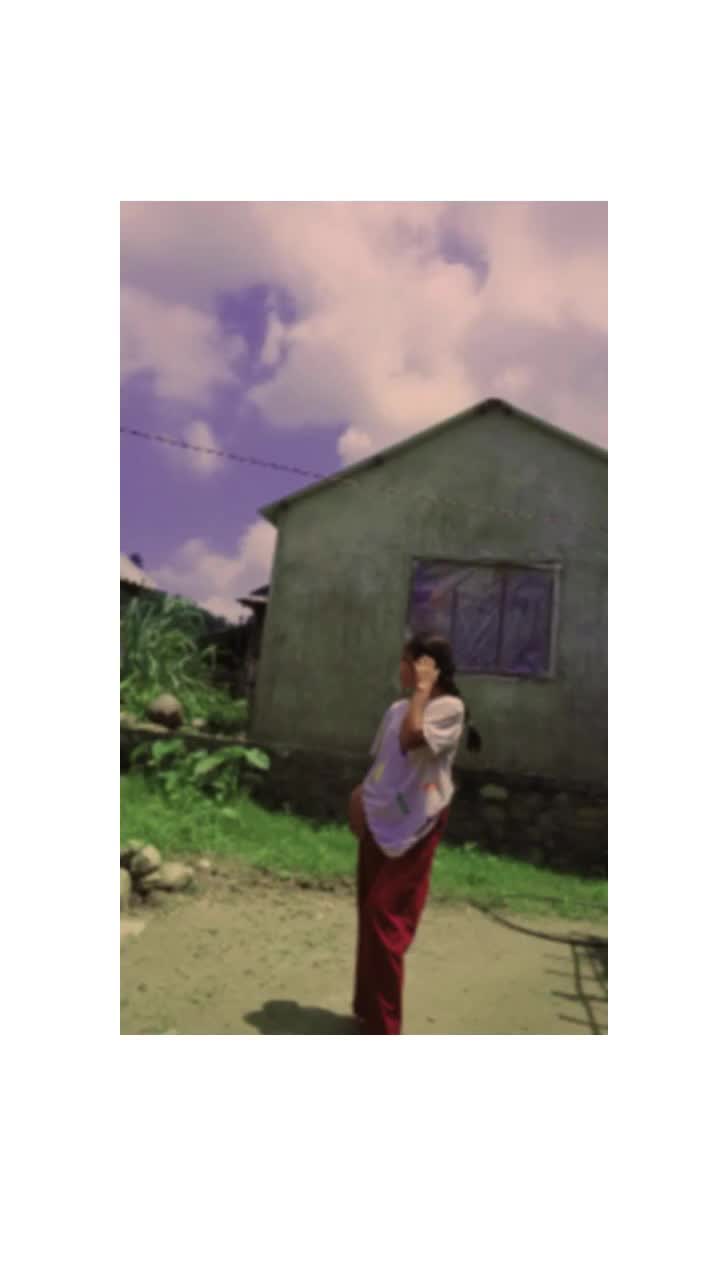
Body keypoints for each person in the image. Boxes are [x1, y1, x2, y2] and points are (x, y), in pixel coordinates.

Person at [349, 633, 482, 1034]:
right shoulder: (397, 708)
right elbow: (385, 761)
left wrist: (423, 691)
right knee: (368, 910)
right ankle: (366, 1009)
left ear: (429, 668)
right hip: (381, 815)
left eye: (409, 661)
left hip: (416, 822)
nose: (402, 668)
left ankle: (385, 1027)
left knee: (385, 915)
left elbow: (410, 740)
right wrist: (361, 793)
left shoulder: (450, 708)